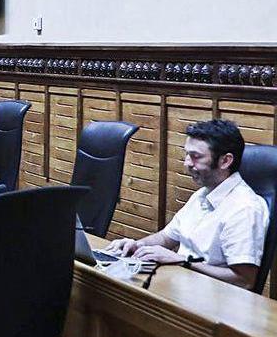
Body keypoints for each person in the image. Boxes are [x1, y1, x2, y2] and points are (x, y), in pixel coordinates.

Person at [106, 119, 269, 289]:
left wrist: (181, 261)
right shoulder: (203, 194)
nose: (187, 163)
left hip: (211, 303)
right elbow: (166, 238)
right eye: (187, 155)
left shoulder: (245, 208)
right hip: (180, 286)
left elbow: (244, 280)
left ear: (225, 161)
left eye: (196, 157)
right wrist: (136, 245)